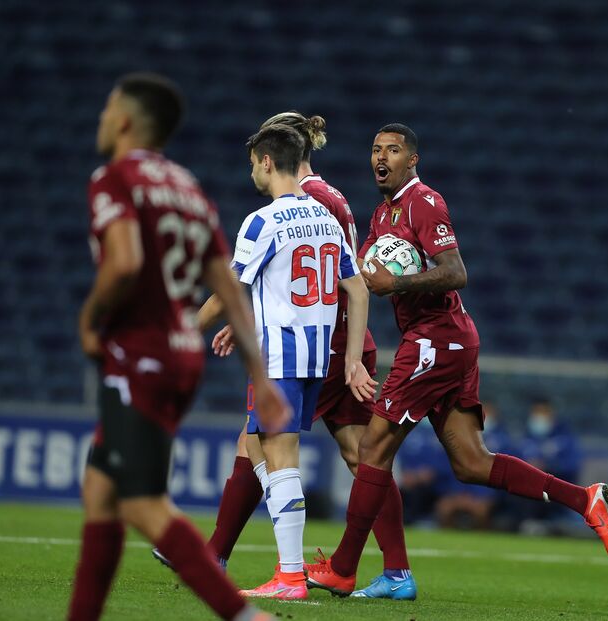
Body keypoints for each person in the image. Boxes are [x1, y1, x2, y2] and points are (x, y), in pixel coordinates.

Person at [305, 123, 608, 598]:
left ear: (412, 159)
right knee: (472, 463)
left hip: (436, 339)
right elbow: (366, 269)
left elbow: (456, 272)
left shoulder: (424, 202)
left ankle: (346, 568)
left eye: (392, 150)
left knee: (372, 449)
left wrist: (398, 284)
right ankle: (584, 500)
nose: (381, 157)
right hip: (444, 341)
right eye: (375, 149)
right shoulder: (382, 214)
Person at [155, 111, 417, 601]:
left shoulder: (275, 214)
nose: (251, 170)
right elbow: (353, 286)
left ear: (271, 160)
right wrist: (352, 357)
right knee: (316, 452)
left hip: (296, 351)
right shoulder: (325, 208)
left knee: (275, 455)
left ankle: (283, 572)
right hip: (328, 351)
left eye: (254, 161)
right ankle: (256, 561)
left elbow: (238, 285)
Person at [69, 72, 288, 621]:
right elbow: (228, 288)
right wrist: (260, 378)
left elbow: (122, 263)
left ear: (123, 120)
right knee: (101, 491)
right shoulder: (187, 188)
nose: (100, 121)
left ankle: (243, 617)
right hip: (180, 354)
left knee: (141, 501)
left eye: (105, 111)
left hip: (139, 356)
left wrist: (91, 317)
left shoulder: (114, 178)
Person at [435, 401, 516, 530]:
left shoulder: (503, 441)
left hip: (484, 495)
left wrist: (478, 497)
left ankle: (483, 537)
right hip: (458, 493)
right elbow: (451, 469)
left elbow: (502, 474)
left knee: (481, 510)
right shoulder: (460, 436)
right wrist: (459, 495)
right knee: (444, 507)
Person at [517, 398, 584, 532]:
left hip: (556, 487)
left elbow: (572, 465)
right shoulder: (526, 439)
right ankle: (529, 523)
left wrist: (548, 466)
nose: (539, 417)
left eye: (543, 412)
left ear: (551, 414)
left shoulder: (565, 438)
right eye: (536, 412)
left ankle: (553, 524)